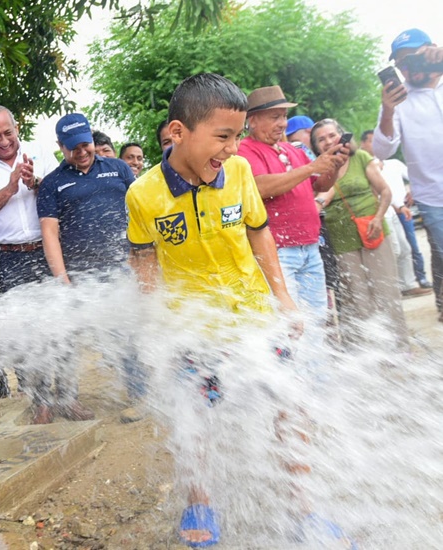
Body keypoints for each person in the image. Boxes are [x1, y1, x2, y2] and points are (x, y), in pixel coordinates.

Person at [127, 73, 353, 549]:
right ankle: (201, 501)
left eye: (236, 136)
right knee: (192, 415)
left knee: (288, 404)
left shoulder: (241, 174)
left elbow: (258, 231)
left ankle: (305, 506)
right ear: (177, 132)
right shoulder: (143, 194)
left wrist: (283, 298)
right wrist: (153, 321)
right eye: (223, 137)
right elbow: (143, 256)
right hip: (192, 324)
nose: (232, 148)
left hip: (253, 315)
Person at [36, 112, 139, 423]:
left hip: (121, 267)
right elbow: (49, 232)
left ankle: (139, 395)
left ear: (92, 140)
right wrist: (62, 279)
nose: (81, 152)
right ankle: (68, 399)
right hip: (79, 275)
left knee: (128, 333)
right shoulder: (53, 183)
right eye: (72, 148)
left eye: (85, 144)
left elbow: (140, 213)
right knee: (68, 337)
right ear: (60, 146)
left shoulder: (119, 169)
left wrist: (142, 258)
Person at [0, 105, 61, 410]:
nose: (4, 140)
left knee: (57, 325)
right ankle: (39, 403)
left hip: (47, 250)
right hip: (12, 258)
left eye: (8, 132)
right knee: (25, 329)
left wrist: (35, 183)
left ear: (17, 127)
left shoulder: (41, 152)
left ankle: (66, 396)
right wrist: (11, 186)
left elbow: (58, 193)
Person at [237, 86, 345, 337]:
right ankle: (297, 375)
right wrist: (311, 168)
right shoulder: (245, 151)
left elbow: (320, 185)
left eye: (284, 116)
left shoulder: (291, 150)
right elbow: (259, 187)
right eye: (275, 117)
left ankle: (315, 375)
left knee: (316, 322)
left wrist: (334, 166)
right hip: (279, 252)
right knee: (291, 328)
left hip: (310, 247)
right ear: (252, 120)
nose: (282, 123)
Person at [311, 119, 409, 351]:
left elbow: (385, 192)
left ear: (342, 136)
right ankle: (368, 352)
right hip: (342, 238)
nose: (328, 141)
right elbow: (320, 197)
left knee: (386, 292)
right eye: (321, 139)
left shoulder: (361, 158)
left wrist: (378, 217)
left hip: (373, 231)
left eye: (332, 135)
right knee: (357, 297)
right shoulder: (316, 169)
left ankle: (399, 348)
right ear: (316, 147)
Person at [373, 28, 443, 322]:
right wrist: (387, 111)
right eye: (400, 64)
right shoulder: (397, 104)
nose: (406, 68)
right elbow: (383, 149)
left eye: (411, 59)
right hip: (433, 197)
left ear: (429, 51)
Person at [360, 129, 432, 297]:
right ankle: (390, 289)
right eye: (371, 141)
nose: (375, 145)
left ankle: (407, 285)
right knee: (394, 250)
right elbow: (374, 191)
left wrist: (399, 206)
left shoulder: (387, 163)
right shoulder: (364, 164)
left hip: (393, 212)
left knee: (406, 248)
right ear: (363, 143)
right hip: (377, 215)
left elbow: (385, 191)